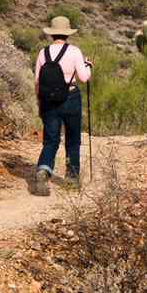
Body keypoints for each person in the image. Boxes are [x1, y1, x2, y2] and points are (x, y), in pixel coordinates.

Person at [32, 14, 92, 195]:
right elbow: (83, 77)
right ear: (68, 34)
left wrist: (39, 102)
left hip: (48, 100)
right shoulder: (74, 51)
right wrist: (88, 65)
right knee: (73, 139)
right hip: (71, 97)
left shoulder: (43, 53)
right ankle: (72, 179)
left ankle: (43, 169)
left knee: (50, 140)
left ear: (51, 34)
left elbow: (37, 82)